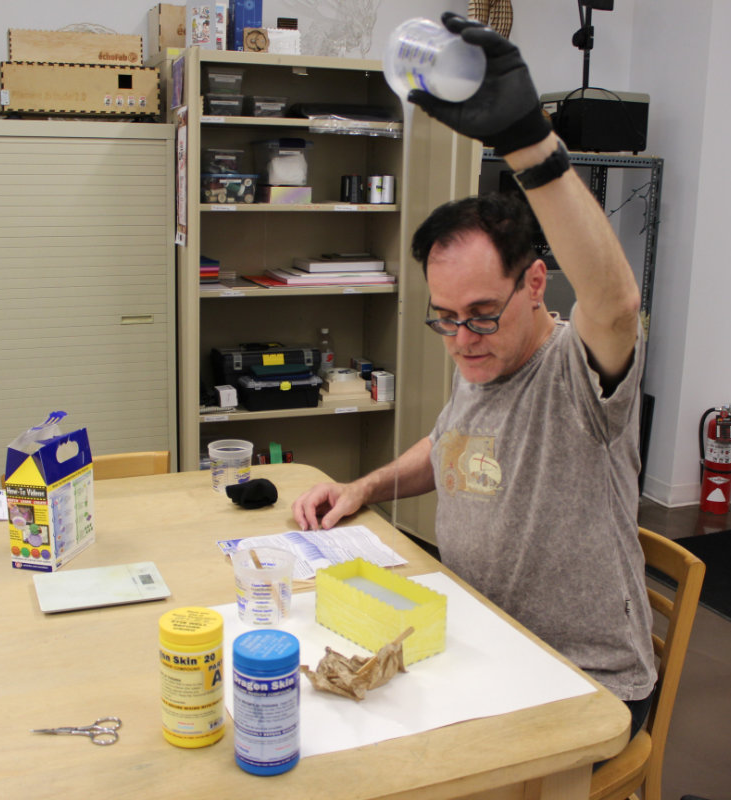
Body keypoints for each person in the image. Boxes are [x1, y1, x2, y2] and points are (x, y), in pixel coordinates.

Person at [292, 13, 656, 737]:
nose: (461, 339)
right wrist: (364, 487)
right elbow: (450, 444)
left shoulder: (574, 375)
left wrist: (529, 141)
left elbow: (616, 305)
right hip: (481, 640)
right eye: (445, 317)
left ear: (535, 285)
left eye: (482, 314)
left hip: (583, 676)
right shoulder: (479, 355)